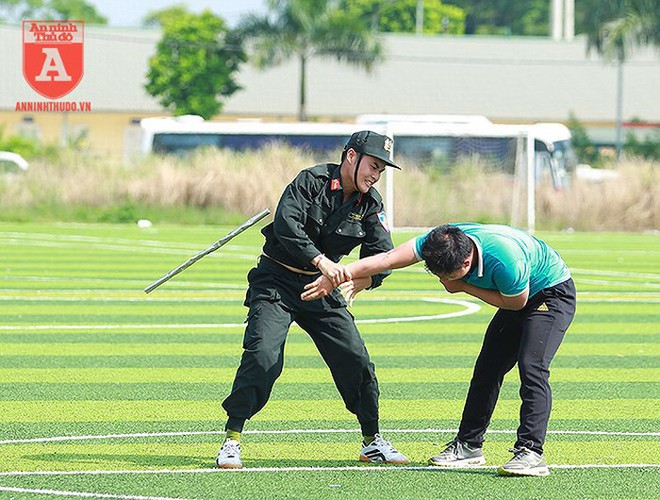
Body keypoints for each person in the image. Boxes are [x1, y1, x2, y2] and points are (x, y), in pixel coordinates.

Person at [302, 222, 576, 477]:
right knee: (487, 370)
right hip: (515, 293)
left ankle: (531, 452)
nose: (442, 280)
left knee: (532, 367)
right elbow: (388, 259)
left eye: (446, 275)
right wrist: (339, 275)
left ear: (467, 262)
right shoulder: (439, 242)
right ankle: (469, 446)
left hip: (548, 294)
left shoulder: (506, 259)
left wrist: (463, 287)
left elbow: (516, 302)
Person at [215, 130, 409, 469]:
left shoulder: (371, 203)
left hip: (324, 288)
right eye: (373, 166)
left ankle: (371, 441)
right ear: (352, 156)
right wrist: (322, 262)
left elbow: (384, 256)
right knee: (263, 356)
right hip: (277, 281)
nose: (375, 175)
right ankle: (232, 438)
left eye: (380, 170)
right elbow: (287, 225)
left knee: (355, 359)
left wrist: (358, 281)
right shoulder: (311, 181)